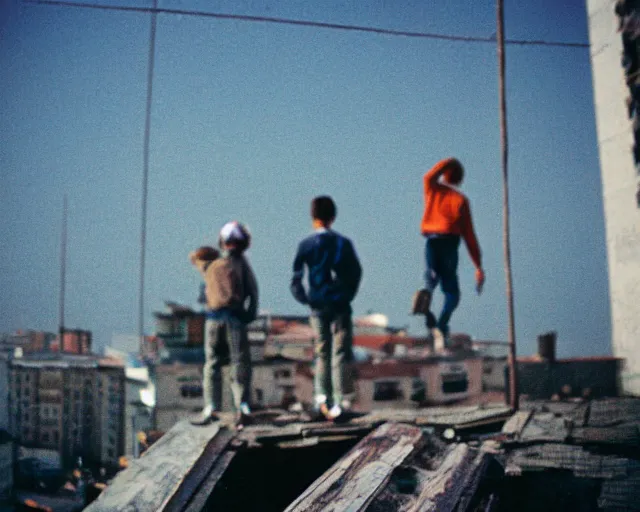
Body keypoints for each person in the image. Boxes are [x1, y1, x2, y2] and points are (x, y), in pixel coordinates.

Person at [291, 196, 362, 421]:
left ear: (313, 217)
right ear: (333, 217)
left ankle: (322, 398)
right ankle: (342, 399)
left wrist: (305, 298)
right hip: (340, 304)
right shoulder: (343, 243)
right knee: (340, 352)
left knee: (322, 352)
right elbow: (356, 272)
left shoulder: (306, 245)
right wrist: (347, 294)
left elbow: (296, 276)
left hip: (318, 305)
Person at [189, 221, 259, 429]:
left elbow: (196, 259)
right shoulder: (240, 264)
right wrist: (249, 316)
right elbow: (253, 292)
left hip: (213, 319)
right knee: (238, 363)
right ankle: (241, 406)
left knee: (212, 364)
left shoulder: (213, 265)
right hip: (233, 319)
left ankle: (211, 406)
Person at [420, 158, 485, 350]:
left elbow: (429, 175)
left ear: (445, 174)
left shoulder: (433, 190)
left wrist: (448, 162)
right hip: (450, 243)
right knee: (451, 292)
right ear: (460, 179)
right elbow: (469, 236)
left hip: (432, 240)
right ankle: (441, 324)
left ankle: (428, 291)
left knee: (432, 279)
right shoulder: (461, 201)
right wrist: (478, 266)